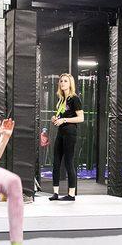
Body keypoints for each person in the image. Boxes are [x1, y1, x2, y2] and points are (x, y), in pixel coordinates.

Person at [49, 73, 84, 202]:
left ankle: (71, 194)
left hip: (70, 133)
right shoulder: (61, 100)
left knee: (69, 162)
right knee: (56, 162)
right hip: (61, 132)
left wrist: (64, 120)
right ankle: (55, 193)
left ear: (70, 84)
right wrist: (56, 118)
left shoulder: (75, 99)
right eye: (61, 81)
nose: (62, 83)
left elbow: (81, 118)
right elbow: (60, 116)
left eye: (65, 81)